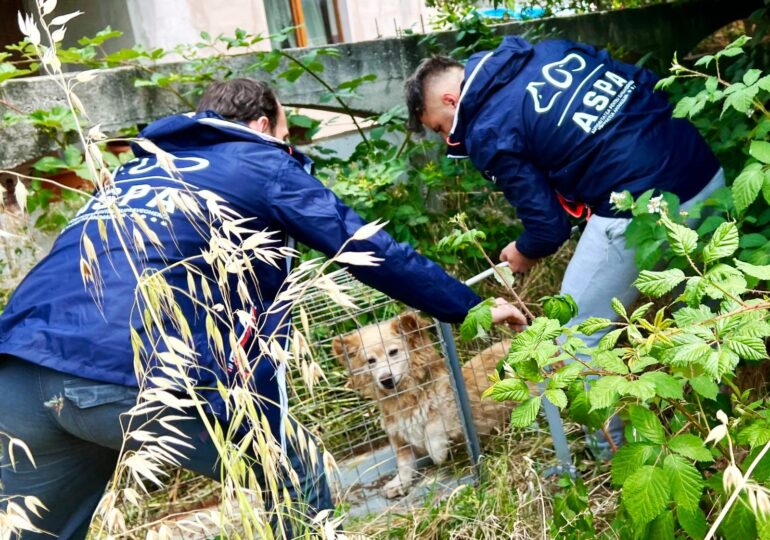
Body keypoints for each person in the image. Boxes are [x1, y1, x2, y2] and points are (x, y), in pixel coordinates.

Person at [0, 78, 526, 539]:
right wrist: (472, 307)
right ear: (261, 124)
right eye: (284, 135)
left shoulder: (132, 177)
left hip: (18, 374)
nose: (285, 146)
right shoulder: (257, 159)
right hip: (130, 372)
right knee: (299, 481)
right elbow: (368, 249)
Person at [405, 36, 725, 455]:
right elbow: (644, 81)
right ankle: (720, 421)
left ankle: (609, 453)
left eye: (441, 127)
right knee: (697, 314)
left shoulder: (486, 127)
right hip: (704, 173)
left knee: (573, 336)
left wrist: (523, 250)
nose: (450, 138)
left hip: (637, 207)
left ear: (451, 99)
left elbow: (547, 227)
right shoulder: (549, 50)